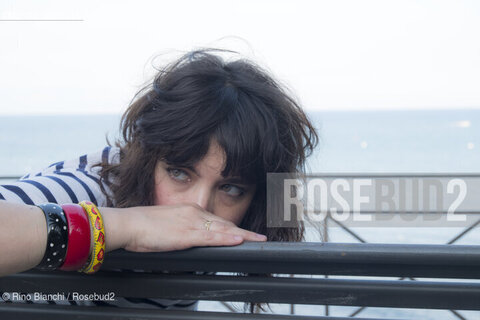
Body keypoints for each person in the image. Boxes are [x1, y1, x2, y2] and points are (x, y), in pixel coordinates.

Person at [0, 48, 318, 312]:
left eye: (231, 188)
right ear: (148, 158)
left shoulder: (221, 234)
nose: (198, 208)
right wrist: (123, 226)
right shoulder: (90, 190)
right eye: (179, 173)